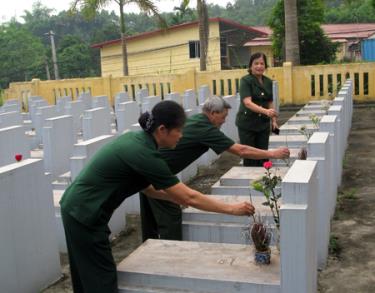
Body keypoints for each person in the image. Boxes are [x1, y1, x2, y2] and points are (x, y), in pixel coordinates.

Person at [59, 100, 254, 293]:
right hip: (85, 213)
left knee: (85, 273)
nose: (181, 136)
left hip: (76, 207)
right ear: (162, 130)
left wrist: (177, 197)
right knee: (101, 279)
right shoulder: (145, 153)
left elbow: (149, 189)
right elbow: (189, 198)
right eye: (179, 130)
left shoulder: (140, 141)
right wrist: (231, 209)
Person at [140, 96, 289, 241]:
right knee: (170, 215)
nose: (224, 121)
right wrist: (272, 153)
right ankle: (168, 254)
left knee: (150, 219)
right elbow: (241, 150)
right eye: (223, 117)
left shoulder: (198, 120)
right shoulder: (206, 129)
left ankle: (149, 250)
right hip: (158, 174)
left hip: (149, 169)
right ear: (213, 113)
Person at [235, 52, 278, 166]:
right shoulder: (246, 80)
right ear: (250, 66)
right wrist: (265, 112)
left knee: (263, 155)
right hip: (247, 124)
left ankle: (264, 181)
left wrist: (273, 121)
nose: (259, 66)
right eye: (256, 63)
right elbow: (247, 102)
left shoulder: (268, 81)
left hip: (263, 124)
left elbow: (269, 101)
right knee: (250, 156)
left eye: (262, 63)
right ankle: (250, 182)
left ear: (265, 66)